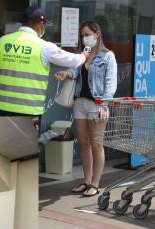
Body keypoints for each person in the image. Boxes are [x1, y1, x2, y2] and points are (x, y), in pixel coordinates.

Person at [0, 6, 89, 117]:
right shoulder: (44, 47)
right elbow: (73, 61)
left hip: (3, 108)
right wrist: (84, 55)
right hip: (30, 111)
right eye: (44, 25)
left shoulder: (1, 42)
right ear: (40, 24)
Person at [54, 21, 116, 197]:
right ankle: (86, 181)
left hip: (96, 104)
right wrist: (65, 73)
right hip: (80, 102)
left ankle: (95, 184)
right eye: (82, 35)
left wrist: (104, 104)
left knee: (97, 144)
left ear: (97, 34)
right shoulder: (84, 55)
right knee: (84, 144)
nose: (84, 38)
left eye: (87, 34)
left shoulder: (108, 56)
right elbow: (75, 72)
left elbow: (110, 84)